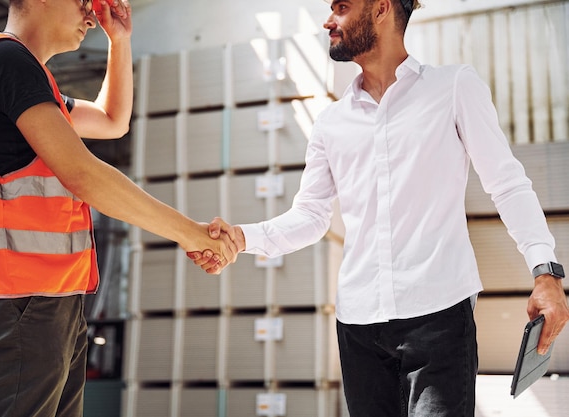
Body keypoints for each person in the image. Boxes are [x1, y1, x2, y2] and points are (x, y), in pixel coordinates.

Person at [188, 0, 569, 416]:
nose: (327, 20)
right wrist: (243, 238)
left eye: (342, 7)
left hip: (439, 316)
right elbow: (311, 216)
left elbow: (507, 184)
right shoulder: (330, 122)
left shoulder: (454, 87)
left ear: (382, 8)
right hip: (358, 326)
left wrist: (545, 272)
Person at [0, 0, 236, 415]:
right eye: (82, 1)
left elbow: (112, 119)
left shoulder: (26, 80)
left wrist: (120, 41)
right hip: (18, 298)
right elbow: (83, 174)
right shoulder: (4, 60)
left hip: (44, 299)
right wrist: (190, 233)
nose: (89, 15)